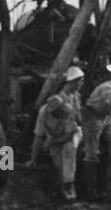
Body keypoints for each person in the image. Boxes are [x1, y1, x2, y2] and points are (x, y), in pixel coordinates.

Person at [31, 67, 84, 202]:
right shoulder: (44, 113)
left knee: (69, 148)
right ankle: (64, 190)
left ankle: (69, 186)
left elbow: (70, 135)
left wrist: (50, 143)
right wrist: (33, 158)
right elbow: (38, 135)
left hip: (71, 135)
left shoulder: (68, 111)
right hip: (55, 137)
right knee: (60, 165)